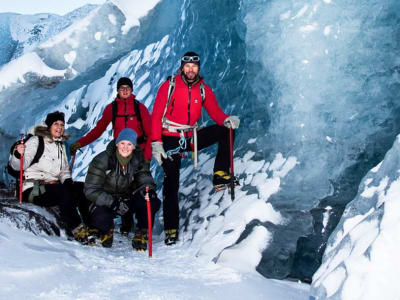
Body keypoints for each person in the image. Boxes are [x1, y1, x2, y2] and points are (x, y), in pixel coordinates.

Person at [151, 51, 240, 245]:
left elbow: (215, 112)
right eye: (187, 66)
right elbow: (156, 115)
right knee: (171, 183)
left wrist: (226, 119)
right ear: (182, 67)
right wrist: (156, 143)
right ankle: (171, 230)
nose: (191, 70)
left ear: (198, 68)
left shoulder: (203, 89)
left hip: (191, 137)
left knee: (226, 130)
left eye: (194, 66)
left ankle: (220, 173)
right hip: (170, 138)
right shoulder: (169, 86)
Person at [70, 77, 153, 235]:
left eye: (127, 88)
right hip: (120, 151)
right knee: (122, 185)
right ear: (117, 90)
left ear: (132, 90)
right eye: (121, 88)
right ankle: (123, 224)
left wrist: (146, 157)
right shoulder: (112, 109)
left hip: (138, 152)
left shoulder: (139, 108)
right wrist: (80, 143)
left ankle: (130, 226)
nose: (124, 90)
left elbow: (150, 134)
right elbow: (98, 130)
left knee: (136, 187)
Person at [8, 111, 92, 244]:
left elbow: (63, 170)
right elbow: (18, 167)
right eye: (56, 124)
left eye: (62, 124)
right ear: (48, 126)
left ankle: (90, 226)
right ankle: (77, 229)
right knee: (62, 191)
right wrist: (18, 155)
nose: (59, 127)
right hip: (33, 189)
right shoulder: (36, 141)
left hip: (52, 187)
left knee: (82, 188)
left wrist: (68, 182)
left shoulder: (60, 145)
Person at [84, 128, 160, 250]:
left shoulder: (138, 159)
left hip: (125, 200)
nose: (125, 147)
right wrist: (112, 202)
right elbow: (91, 190)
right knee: (101, 218)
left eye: (129, 144)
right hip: (104, 201)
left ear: (134, 147)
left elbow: (144, 177)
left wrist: (148, 190)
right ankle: (106, 229)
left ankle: (141, 232)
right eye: (122, 143)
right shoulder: (102, 160)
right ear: (117, 143)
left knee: (152, 200)